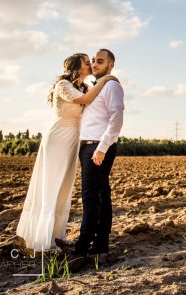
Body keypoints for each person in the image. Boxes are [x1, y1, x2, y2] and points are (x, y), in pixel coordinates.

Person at [17, 53, 118, 251]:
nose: (91, 64)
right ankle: (42, 237)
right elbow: (85, 100)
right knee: (52, 183)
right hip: (58, 138)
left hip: (73, 141)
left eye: (93, 61)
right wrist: (106, 78)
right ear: (77, 66)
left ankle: (57, 234)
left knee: (64, 185)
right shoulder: (63, 86)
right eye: (87, 62)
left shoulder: (84, 86)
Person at [64, 48, 124, 260]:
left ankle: (80, 251)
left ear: (110, 65)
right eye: (94, 61)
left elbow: (117, 119)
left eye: (100, 61)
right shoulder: (98, 87)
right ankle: (100, 246)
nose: (95, 64)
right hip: (89, 146)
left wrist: (101, 148)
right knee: (101, 196)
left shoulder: (112, 86)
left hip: (97, 147)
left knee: (90, 198)